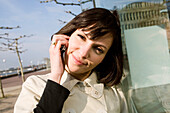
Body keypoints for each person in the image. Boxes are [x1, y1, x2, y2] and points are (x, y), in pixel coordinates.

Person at [14, 8, 128, 113]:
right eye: (82, 37)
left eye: (98, 49)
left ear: (105, 57)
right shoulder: (35, 86)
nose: (83, 53)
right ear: (68, 35)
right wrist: (55, 78)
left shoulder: (115, 93)